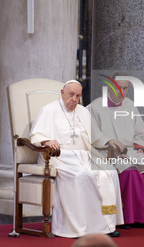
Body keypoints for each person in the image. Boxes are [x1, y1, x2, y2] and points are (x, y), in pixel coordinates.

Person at [29, 80, 124, 238]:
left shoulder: (83, 112)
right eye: (70, 94)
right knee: (80, 177)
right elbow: (36, 135)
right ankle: (79, 228)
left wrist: (108, 141)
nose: (74, 99)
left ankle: (106, 225)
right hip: (59, 158)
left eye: (77, 96)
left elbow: (95, 136)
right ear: (62, 93)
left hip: (84, 156)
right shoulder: (48, 110)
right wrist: (46, 141)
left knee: (110, 173)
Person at [87, 75, 144, 228]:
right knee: (130, 171)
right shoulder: (95, 107)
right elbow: (92, 136)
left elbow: (140, 134)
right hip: (105, 153)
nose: (122, 91)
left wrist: (140, 148)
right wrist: (109, 144)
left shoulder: (129, 105)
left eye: (125, 88)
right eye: (118, 87)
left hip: (129, 151)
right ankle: (126, 218)